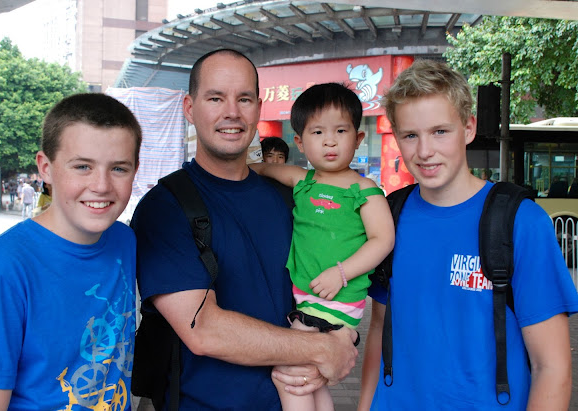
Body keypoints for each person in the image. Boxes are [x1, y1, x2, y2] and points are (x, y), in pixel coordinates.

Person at [131, 49, 358, 411]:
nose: (232, 112)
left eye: (244, 99)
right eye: (215, 98)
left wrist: (343, 337)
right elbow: (204, 330)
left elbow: (333, 282)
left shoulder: (290, 198)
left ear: (258, 108)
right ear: (189, 108)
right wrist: (320, 349)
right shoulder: (165, 208)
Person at [358, 60, 578, 410]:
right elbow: (379, 329)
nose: (424, 151)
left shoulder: (520, 222)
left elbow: (551, 367)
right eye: (411, 135)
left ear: (469, 128)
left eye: (440, 132)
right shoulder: (388, 217)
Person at [0, 93, 142, 410]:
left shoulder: (124, 241)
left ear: (135, 170)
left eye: (118, 168)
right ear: (45, 168)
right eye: (83, 166)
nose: (101, 185)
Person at [250, 83, 394, 410]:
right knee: (311, 380)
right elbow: (262, 168)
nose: (330, 141)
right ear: (300, 142)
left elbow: (383, 239)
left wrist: (341, 273)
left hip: (335, 302)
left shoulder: (364, 189)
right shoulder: (302, 181)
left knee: (288, 375)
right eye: (318, 132)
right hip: (309, 300)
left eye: (340, 131)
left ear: (358, 138)